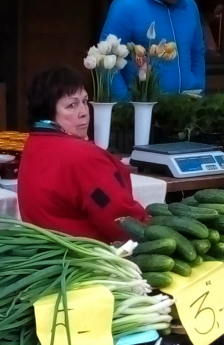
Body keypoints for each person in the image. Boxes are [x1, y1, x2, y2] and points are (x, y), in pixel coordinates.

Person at [18, 68, 148, 243]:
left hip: (50, 254)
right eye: (72, 105)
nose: (84, 112)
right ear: (49, 111)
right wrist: (153, 228)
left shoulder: (34, 143)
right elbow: (121, 220)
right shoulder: (80, 156)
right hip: (87, 258)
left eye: (85, 102)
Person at [100, 0, 206, 100]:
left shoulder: (190, 6)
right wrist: (126, 102)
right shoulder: (126, 5)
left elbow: (197, 52)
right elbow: (106, 57)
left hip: (188, 106)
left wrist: (197, 85)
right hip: (145, 110)